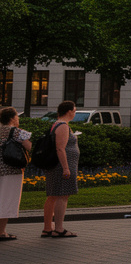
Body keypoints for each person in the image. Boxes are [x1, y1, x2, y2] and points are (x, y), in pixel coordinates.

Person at [42, 100, 81, 238]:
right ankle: (58, 228)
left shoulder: (57, 124)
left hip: (58, 165)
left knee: (54, 195)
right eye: (75, 110)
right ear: (69, 111)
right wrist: (66, 168)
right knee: (62, 196)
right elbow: (60, 148)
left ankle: (48, 228)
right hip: (62, 166)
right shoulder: (63, 125)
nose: (75, 113)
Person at [0, 107, 32, 241]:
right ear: (13, 118)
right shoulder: (17, 132)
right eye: (17, 117)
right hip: (11, 170)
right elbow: (29, 146)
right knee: (6, 200)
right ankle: (1, 231)